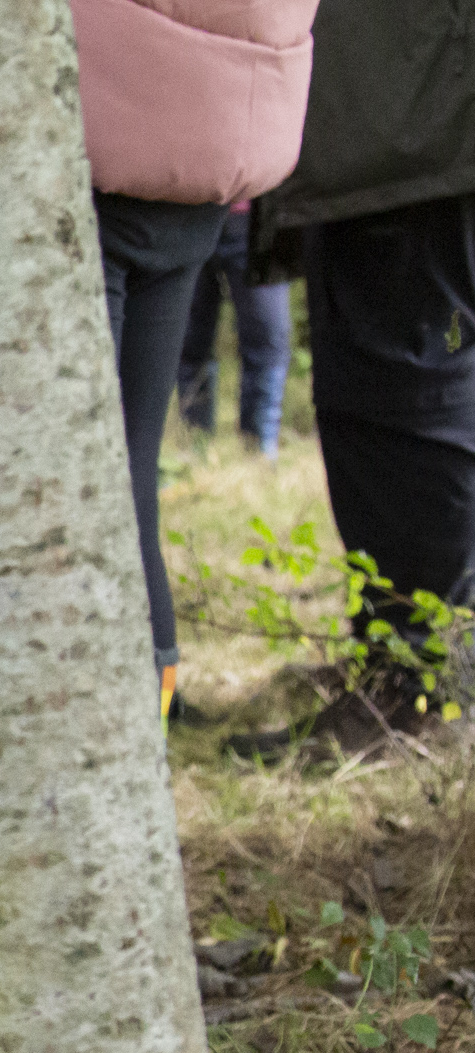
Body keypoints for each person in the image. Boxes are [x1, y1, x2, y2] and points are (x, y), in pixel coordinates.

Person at [67, 0, 316, 714]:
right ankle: (155, 682)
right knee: (128, 454)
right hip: (217, 136)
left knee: (88, 462)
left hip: (104, 123)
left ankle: (124, 696)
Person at [246, 0, 475, 752]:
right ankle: (407, 668)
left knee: (403, 394)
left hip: (413, 110)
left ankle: (418, 690)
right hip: (401, 101)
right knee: (392, 390)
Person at [176, 204, 291, 455]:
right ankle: (194, 445)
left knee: (268, 336)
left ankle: (260, 451)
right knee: (187, 340)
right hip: (189, 212)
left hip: (257, 216)